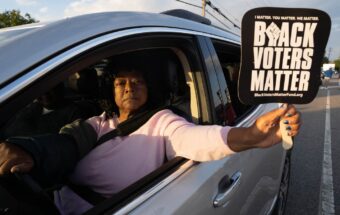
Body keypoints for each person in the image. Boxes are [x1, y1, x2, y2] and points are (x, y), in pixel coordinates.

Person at [0, 55, 301, 215]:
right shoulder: (97, 123)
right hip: (51, 204)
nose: (129, 88)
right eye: (121, 83)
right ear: (112, 91)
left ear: (149, 88)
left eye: (137, 82)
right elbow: (63, 145)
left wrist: (250, 136)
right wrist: (27, 152)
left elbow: (194, 139)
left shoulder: (163, 122)